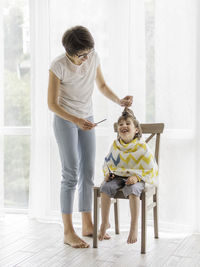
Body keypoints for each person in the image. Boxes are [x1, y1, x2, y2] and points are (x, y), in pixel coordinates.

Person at [47, 25, 133, 248]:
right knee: (71, 173)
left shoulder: (92, 57)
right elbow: (52, 104)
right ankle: (68, 231)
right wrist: (75, 120)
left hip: (87, 117)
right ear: (69, 52)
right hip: (66, 119)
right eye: (81, 55)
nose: (86, 58)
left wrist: (119, 101)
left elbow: (102, 85)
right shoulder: (58, 65)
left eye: (89, 53)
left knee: (87, 171)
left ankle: (87, 224)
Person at [98, 108, 158, 244]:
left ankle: (133, 226)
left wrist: (137, 177)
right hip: (118, 176)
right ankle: (105, 222)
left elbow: (151, 167)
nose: (123, 126)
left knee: (132, 190)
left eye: (127, 123)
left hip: (136, 178)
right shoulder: (116, 146)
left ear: (136, 129)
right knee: (105, 188)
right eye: (120, 124)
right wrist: (108, 174)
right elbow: (108, 162)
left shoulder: (142, 147)